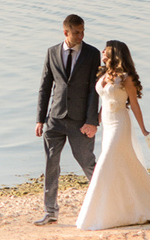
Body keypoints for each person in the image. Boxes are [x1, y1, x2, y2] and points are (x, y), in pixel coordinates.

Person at [75, 40, 150, 231]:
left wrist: (144, 130)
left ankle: (101, 213)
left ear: (114, 53)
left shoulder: (126, 78)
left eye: (106, 48)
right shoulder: (103, 74)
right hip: (108, 125)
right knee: (121, 164)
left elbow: (134, 104)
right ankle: (121, 209)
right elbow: (104, 101)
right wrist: (96, 123)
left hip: (120, 123)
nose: (102, 50)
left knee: (105, 162)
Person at [34, 14, 100, 225]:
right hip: (55, 118)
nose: (81, 35)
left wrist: (92, 121)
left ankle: (105, 203)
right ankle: (50, 211)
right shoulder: (52, 52)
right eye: (77, 32)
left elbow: (94, 90)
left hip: (80, 121)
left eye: (83, 31)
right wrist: (40, 119)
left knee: (88, 163)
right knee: (50, 164)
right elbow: (45, 86)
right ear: (66, 33)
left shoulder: (92, 54)